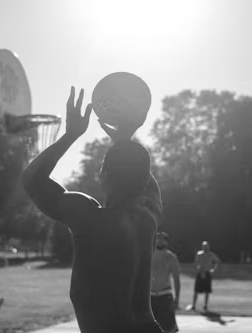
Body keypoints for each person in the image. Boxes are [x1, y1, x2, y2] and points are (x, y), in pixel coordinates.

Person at [21, 87, 163, 333]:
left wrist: (71, 135)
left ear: (103, 175)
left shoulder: (88, 216)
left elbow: (31, 179)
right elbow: (146, 183)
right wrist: (124, 143)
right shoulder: (147, 220)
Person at [151, 232, 180, 333]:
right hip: (149, 296)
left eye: (163, 239)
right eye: (158, 238)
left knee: (168, 328)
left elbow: (176, 279)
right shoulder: (148, 255)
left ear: (167, 242)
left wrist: (177, 299)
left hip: (165, 295)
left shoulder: (171, 257)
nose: (160, 241)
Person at [186, 241, 221, 312]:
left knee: (207, 291)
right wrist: (198, 270)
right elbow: (196, 263)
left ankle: (205, 305)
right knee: (196, 290)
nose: (205, 247)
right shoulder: (199, 254)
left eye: (206, 246)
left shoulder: (211, 255)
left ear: (209, 247)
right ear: (202, 247)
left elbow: (217, 262)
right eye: (204, 246)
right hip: (200, 273)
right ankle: (193, 305)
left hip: (207, 273)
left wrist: (213, 270)